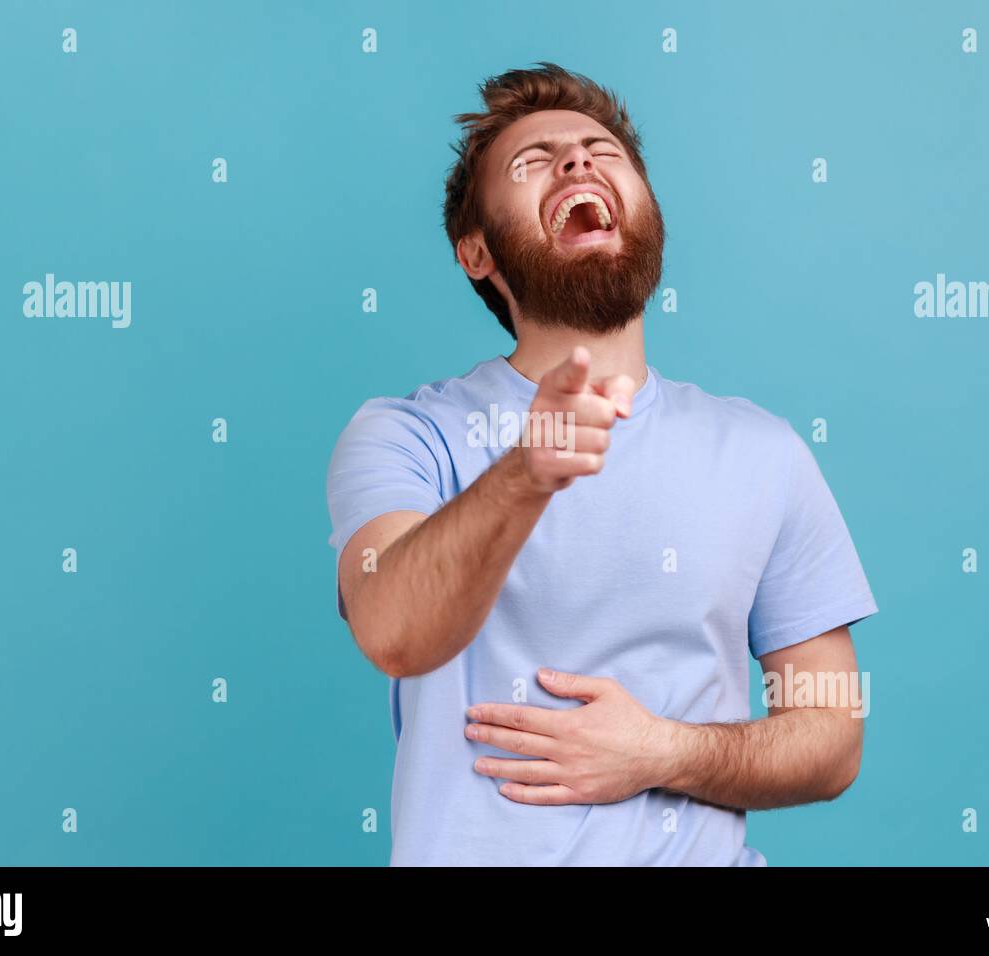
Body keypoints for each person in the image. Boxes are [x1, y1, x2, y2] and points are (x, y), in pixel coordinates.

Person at [326, 62, 879, 866]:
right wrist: (527, 474)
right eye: (533, 161)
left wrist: (661, 750)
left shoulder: (764, 451)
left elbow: (832, 740)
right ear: (476, 252)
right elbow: (393, 632)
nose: (578, 162)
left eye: (602, 151)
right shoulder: (407, 436)